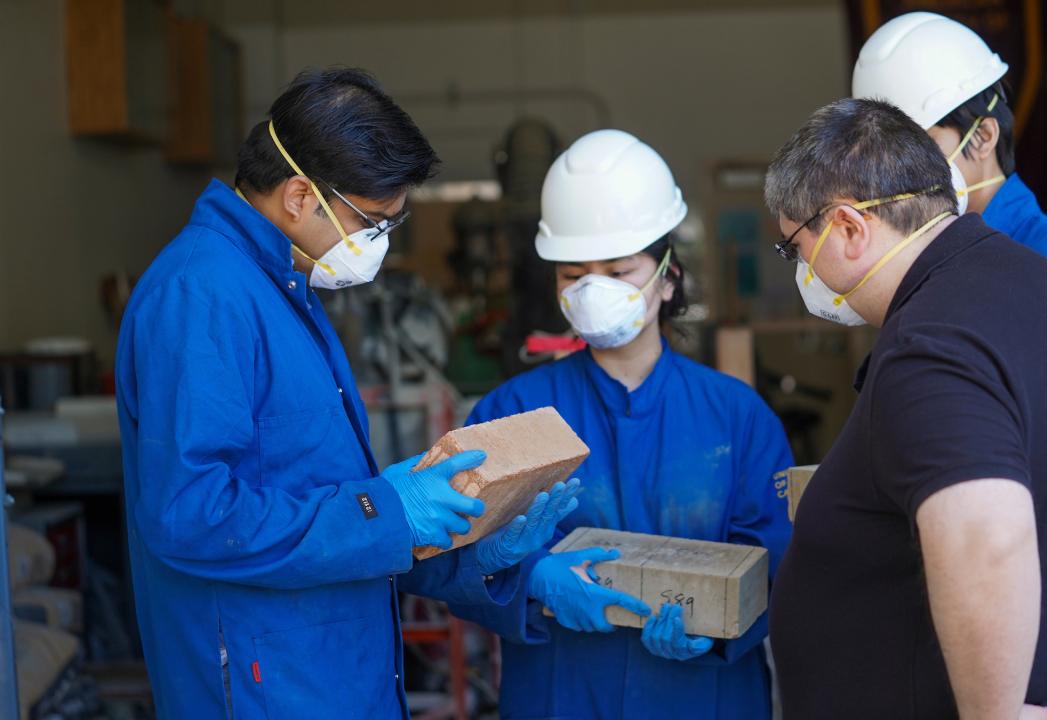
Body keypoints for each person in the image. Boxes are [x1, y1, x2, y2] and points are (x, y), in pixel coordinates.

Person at [115, 68, 580, 719]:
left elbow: (318, 494)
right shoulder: (205, 294)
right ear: (301, 196)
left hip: (323, 665)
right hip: (264, 681)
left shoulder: (282, 286)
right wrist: (389, 510)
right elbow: (191, 514)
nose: (380, 244)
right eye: (374, 222)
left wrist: (467, 551)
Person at [763, 98, 1047, 719]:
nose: (805, 271)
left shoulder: (931, 345)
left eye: (795, 247)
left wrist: (992, 713)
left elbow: (987, 533)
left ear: (848, 227)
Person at [446, 129, 795, 719]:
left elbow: (780, 559)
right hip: (563, 692)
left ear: (667, 275)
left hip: (702, 697)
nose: (593, 290)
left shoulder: (736, 418)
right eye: (573, 273)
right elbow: (450, 557)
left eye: (619, 270)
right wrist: (531, 580)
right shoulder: (512, 414)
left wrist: (719, 629)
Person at [852, 11, 1047, 345]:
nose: (903, 170)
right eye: (892, 155)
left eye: (923, 146)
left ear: (984, 136)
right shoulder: (924, 271)